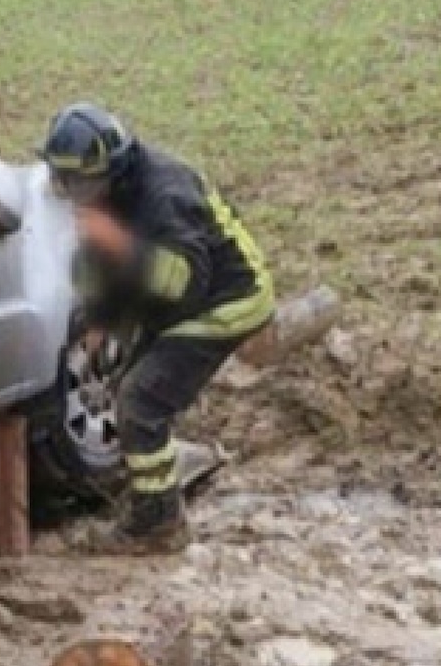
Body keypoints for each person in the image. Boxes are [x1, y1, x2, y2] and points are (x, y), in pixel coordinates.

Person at [38, 102, 276, 554]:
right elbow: (95, 264)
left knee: (140, 399)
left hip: (225, 301)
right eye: (63, 181)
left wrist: (119, 244)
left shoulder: (165, 196)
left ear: (114, 167)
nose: (72, 194)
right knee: (130, 377)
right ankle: (154, 484)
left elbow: (181, 283)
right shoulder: (108, 194)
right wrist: (100, 319)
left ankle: (158, 524)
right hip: (181, 298)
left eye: (81, 183)